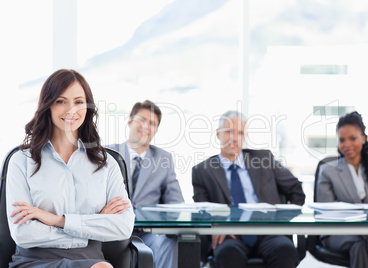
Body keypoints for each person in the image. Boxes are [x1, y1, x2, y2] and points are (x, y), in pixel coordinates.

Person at [6, 69, 135, 268]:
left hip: (91, 261)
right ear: (47, 105)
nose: (70, 110)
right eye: (60, 101)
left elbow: (123, 227)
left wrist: (57, 220)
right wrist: (92, 225)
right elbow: (23, 234)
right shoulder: (21, 161)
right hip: (35, 262)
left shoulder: (106, 163)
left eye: (78, 102)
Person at [192, 110, 305, 268]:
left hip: (269, 232)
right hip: (230, 234)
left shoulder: (264, 159)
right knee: (227, 253)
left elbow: (296, 189)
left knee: (285, 250)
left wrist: (284, 220)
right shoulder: (202, 171)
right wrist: (216, 225)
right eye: (229, 131)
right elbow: (201, 209)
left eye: (240, 133)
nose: (234, 138)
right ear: (218, 134)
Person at [107, 100, 184, 268]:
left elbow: (176, 203)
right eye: (141, 119)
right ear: (129, 121)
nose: (146, 126)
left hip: (148, 232)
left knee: (168, 244)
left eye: (152, 123)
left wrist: (156, 221)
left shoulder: (163, 159)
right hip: (112, 230)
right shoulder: (107, 153)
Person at [316, 111, 368, 268]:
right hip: (339, 232)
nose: (346, 144)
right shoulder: (328, 171)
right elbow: (327, 212)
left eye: (352, 138)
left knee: (364, 244)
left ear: (363, 139)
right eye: (342, 140)